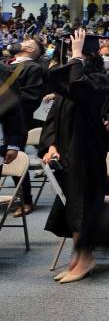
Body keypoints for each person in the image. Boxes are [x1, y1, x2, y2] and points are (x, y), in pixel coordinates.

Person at [38, 29, 109, 283]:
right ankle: (78, 257)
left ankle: (86, 259)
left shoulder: (99, 81)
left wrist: (76, 56)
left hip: (86, 152)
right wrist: (49, 145)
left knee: (83, 205)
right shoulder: (66, 82)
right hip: (65, 151)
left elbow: (78, 86)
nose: (70, 56)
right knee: (72, 207)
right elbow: (52, 117)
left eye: (78, 52)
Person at [6, 36, 46, 217]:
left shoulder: (33, 68)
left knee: (15, 160)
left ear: (30, 50)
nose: (19, 43)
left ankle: (26, 200)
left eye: (25, 43)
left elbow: (31, 97)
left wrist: (5, 102)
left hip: (15, 121)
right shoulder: (7, 63)